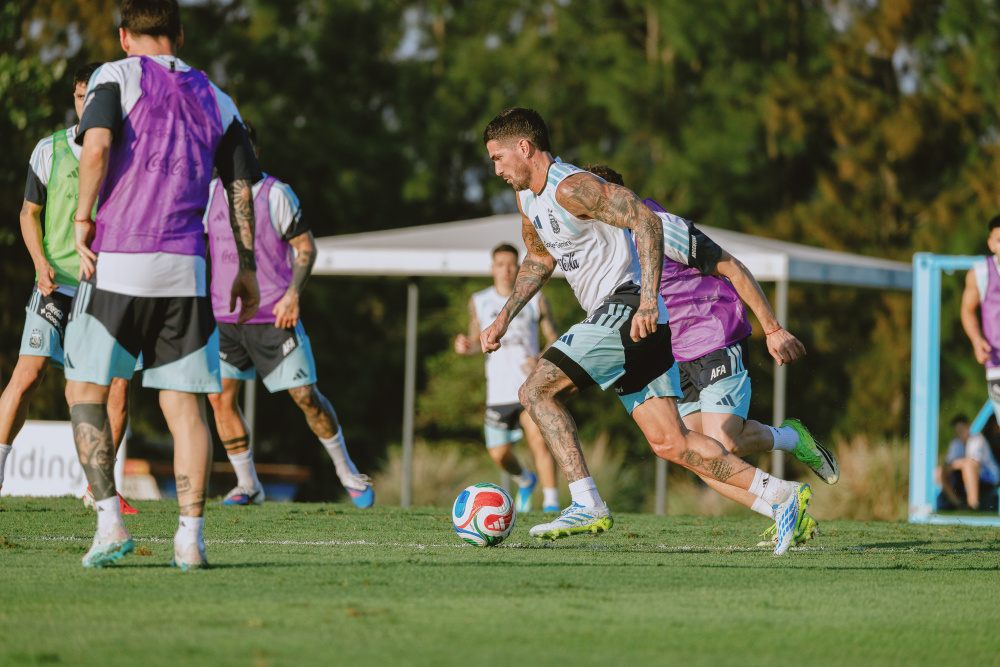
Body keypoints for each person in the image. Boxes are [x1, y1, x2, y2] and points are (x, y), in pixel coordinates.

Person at [481, 107, 811, 556]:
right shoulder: (527, 200)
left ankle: (585, 502)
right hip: (632, 322)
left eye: (499, 157)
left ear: (525, 147)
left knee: (536, 391)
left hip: (628, 307)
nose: (496, 169)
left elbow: (646, 219)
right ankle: (782, 496)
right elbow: (540, 258)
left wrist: (651, 299)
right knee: (671, 443)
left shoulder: (571, 186)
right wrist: (504, 316)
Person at [64, 0, 262, 570]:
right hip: (186, 269)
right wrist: (245, 266)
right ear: (179, 33)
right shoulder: (218, 98)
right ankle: (190, 540)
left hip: (119, 260)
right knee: (184, 408)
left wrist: (83, 219)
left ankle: (108, 523)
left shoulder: (114, 75)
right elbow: (241, 187)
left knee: (86, 391)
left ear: (126, 36)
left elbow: (96, 147)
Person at [584, 164, 838, 545]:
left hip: (716, 333)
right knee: (698, 456)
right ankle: (784, 511)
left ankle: (790, 438)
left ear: (613, 196)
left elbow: (733, 268)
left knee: (726, 441)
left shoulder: (661, 225)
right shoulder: (606, 244)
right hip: (673, 353)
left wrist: (773, 329)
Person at [204, 123, 373, 508]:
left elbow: (306, 249)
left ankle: (346, 470)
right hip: (225, 320)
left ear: (255, 151)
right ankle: (248, 485)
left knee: (305, 396)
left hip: (275, 317)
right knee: (220, 400)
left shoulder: (275, 194)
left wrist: (294, 295)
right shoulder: (210, 194)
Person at [0, 63, 137, 515]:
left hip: (105, 286)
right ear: (75, 99)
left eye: (93, 95)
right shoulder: (49, 149)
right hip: (55, 282)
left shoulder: (123, 150)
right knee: (28, 377)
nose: (87, 103)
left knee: (116, 387)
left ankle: (99, 489)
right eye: (81, 96)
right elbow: (28, 214)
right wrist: (39, 262)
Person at [455, 243, 560, 512]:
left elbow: (554, 338)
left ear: (519, 267)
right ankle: (525, 480)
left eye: (512, 264)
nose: (506, 270)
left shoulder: (536, 297)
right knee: (499, 454)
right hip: (498, 392)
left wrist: (541, 359)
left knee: (539, 441)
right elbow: (479, 339)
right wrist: (467, 346)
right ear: (493, 268)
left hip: (530, 386)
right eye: (500, 265)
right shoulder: (479, 300)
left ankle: (551, 504)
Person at [961, 215, 1000, 424]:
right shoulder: (980, 273)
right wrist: (976, 340)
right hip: (997, 362)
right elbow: (967, 310)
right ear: (991, 244)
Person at [936, 414, 1000, 510]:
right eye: (957, 431)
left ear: (968, 427)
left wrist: (954, 465)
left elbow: (972, 462)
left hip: (989, 477)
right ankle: (958, 503)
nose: (959, 433)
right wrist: (953, 465)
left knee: (969, 466)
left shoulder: (977, 439)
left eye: (961, 430)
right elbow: (948, 466)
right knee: (939, 471)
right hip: (967, 475)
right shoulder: (955, 443)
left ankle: (973, 504)